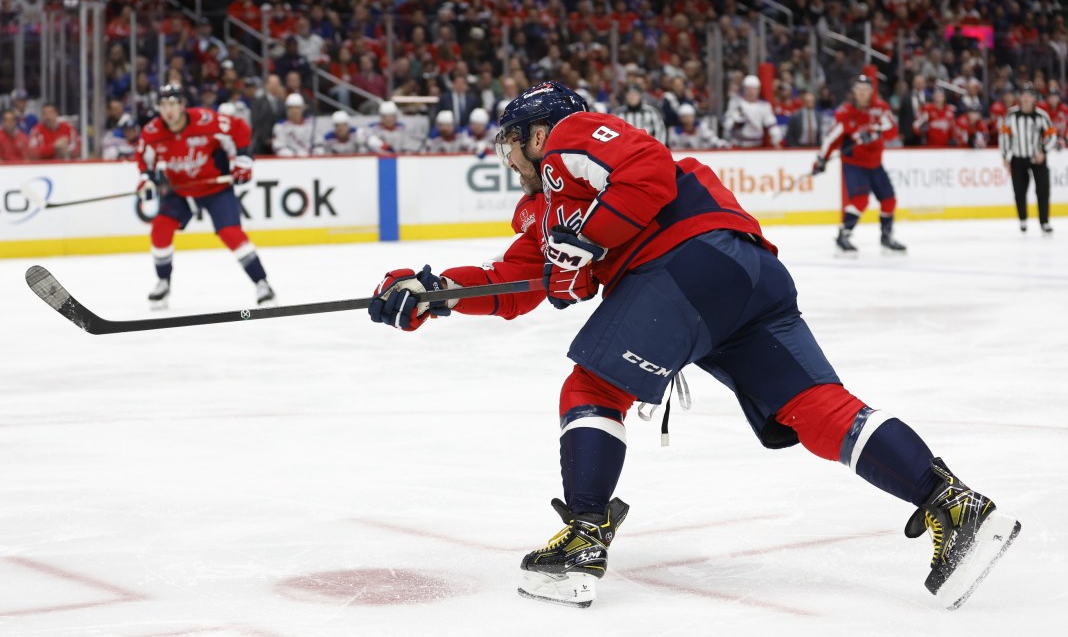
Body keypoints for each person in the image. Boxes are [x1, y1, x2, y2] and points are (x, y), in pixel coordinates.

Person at [365, 81, 1020, 609]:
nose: (508, 158)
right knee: (814, 404)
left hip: (684, 258)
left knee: (592, 388)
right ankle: (952, 503)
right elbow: (519, 282)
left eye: (512, 143)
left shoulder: (569, 138)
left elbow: (647, 168)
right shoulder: (544, 212)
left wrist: (588, 239)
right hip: (745, 276)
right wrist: (433, 292)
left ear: (537, 134)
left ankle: (585, 537)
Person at [135, 84, 275, 309]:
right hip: (180, 190)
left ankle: (262, 284)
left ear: (182, 105)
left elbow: (239, 128)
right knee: (160, 228)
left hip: (215, 189)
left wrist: (242, 161)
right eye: (163, 105)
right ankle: (163, 281)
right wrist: (147, 179)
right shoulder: (152, 132)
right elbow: (145, 161)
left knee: (231, 233)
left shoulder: (206, 120)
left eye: (173, 104)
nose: (168, 110)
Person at [814, 75, 906, 254]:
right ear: (854, 92)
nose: (863, 93)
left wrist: (875, 131)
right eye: (859, 90)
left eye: (866, 90)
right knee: (860, 200)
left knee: (889, 200)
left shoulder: (880, 109)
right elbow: (832, 138)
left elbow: (892, 130)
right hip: (854, 164)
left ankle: (886, 237)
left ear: (871, 92)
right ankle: (844, 235)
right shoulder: (845, 112)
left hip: (875, 163)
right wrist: (821, 159)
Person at [1000, 83, 1056, 234]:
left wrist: (1043, 151)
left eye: (1029, 95)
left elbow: (1052, 135)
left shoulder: (1041, 115)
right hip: (1018, 158)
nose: (1025, 98)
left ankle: (1044, 222)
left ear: (1034, 98)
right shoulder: (1011, 115)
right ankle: (1023, 219)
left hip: (1037, 158)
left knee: (1043, 190)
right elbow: (1005, 135)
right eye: (1023, 94)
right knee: (1019, 191)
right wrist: (1005, 156)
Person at [723, 75, 782, 148]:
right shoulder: (736, 103)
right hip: (737, 144)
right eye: (748, 89)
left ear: (758, 90)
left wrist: (776, 140)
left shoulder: (764, 106)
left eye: (754, 89)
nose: (751, 92)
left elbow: (772, 124)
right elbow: (727, 123)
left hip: (756, 145)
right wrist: (734, 122)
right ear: (744, 89)